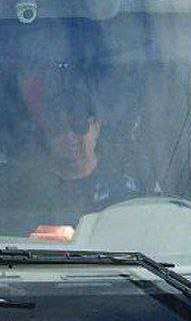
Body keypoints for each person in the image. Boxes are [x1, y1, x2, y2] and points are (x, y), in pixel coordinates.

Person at [13, 69, 142, 227]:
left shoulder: (124, 192)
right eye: (58, 128)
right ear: (46, 133)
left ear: (96, 126)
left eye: (79, 126)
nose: (70, 137)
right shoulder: (28, 192)